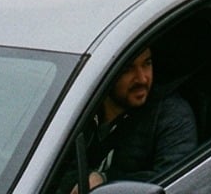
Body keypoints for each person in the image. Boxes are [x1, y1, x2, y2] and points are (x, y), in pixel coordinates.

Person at [79, 45, 196, 189]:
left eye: (147, 64)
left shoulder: (171, 115)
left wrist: (105, 181)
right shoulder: (82, 111)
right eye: (128, 69)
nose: (142, 79)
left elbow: (176, 180)